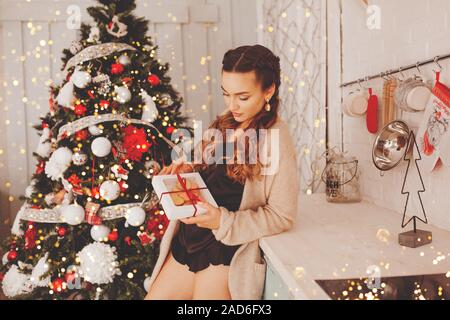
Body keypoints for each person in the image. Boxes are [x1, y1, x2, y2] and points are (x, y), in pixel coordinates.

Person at [145, 44, 299, 300]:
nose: (232, 104)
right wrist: (182, 170)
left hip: (225, 252)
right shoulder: (228, 120)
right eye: (226, 94)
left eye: (243, 96)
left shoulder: (277, 139)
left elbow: (282, 216)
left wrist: (222, 222)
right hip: (187, 243)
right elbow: (202, 165)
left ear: (269, 90)